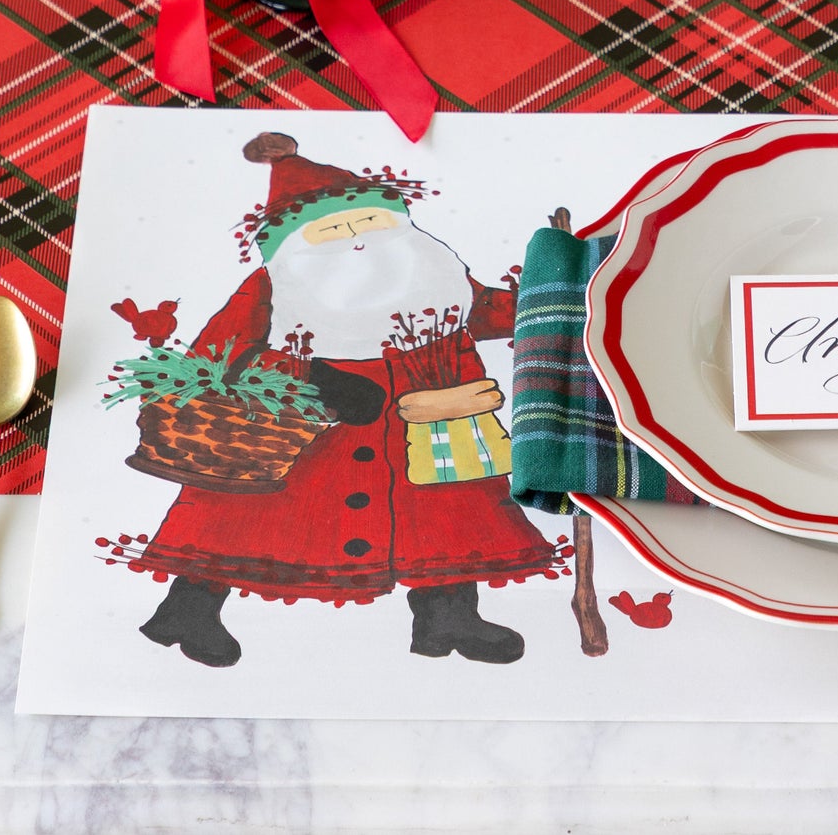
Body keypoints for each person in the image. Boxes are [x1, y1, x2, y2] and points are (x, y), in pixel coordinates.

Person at [136, 132, 555, 669]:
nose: (356, 240)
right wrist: (310, 378)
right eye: (332, 231)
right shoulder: (271, 289)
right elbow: (216, 357)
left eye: (371, 224)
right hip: (306, 429)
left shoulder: (432, 277)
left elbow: (493, 311)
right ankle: (187, 611)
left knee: (444, 513)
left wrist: (555, 297)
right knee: (243, 515)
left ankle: (448, 617)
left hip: (428, 415)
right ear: (295, 247)